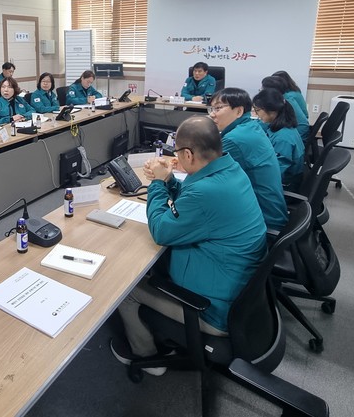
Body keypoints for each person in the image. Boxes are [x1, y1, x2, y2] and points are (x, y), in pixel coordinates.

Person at [111, 116, 267, 376]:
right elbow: (194, 202)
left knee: (126, 290)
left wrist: (157, 184)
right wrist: (170, 180)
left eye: (177, 153)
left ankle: (148, 358)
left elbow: (161, 230)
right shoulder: (231, 171)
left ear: (188, 154)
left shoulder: (206, 193)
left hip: (212, 310)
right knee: (154, 265)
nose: (176, 158)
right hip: (237, 292)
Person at [208, 88, 288, 230]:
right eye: (211, 108)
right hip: (270, 211)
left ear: (239, 111)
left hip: (261, 220)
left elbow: (207, 177)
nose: (212, 114)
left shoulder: (235, 139)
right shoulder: (250, 127)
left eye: (218, 108)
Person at [252, 88, 305, 190]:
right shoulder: (282, 127)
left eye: (258, 110)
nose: (257, 115)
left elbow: (275, 173)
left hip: (284, 186)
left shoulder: (283, 138)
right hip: (284, 179)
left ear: (272, 111)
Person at [261, 76, 309, 143]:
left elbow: (270, 122)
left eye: (263, 89)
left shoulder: (282, 102)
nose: (261, 91)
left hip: (299, 134)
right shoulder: (285, 97)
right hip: (296, 133)